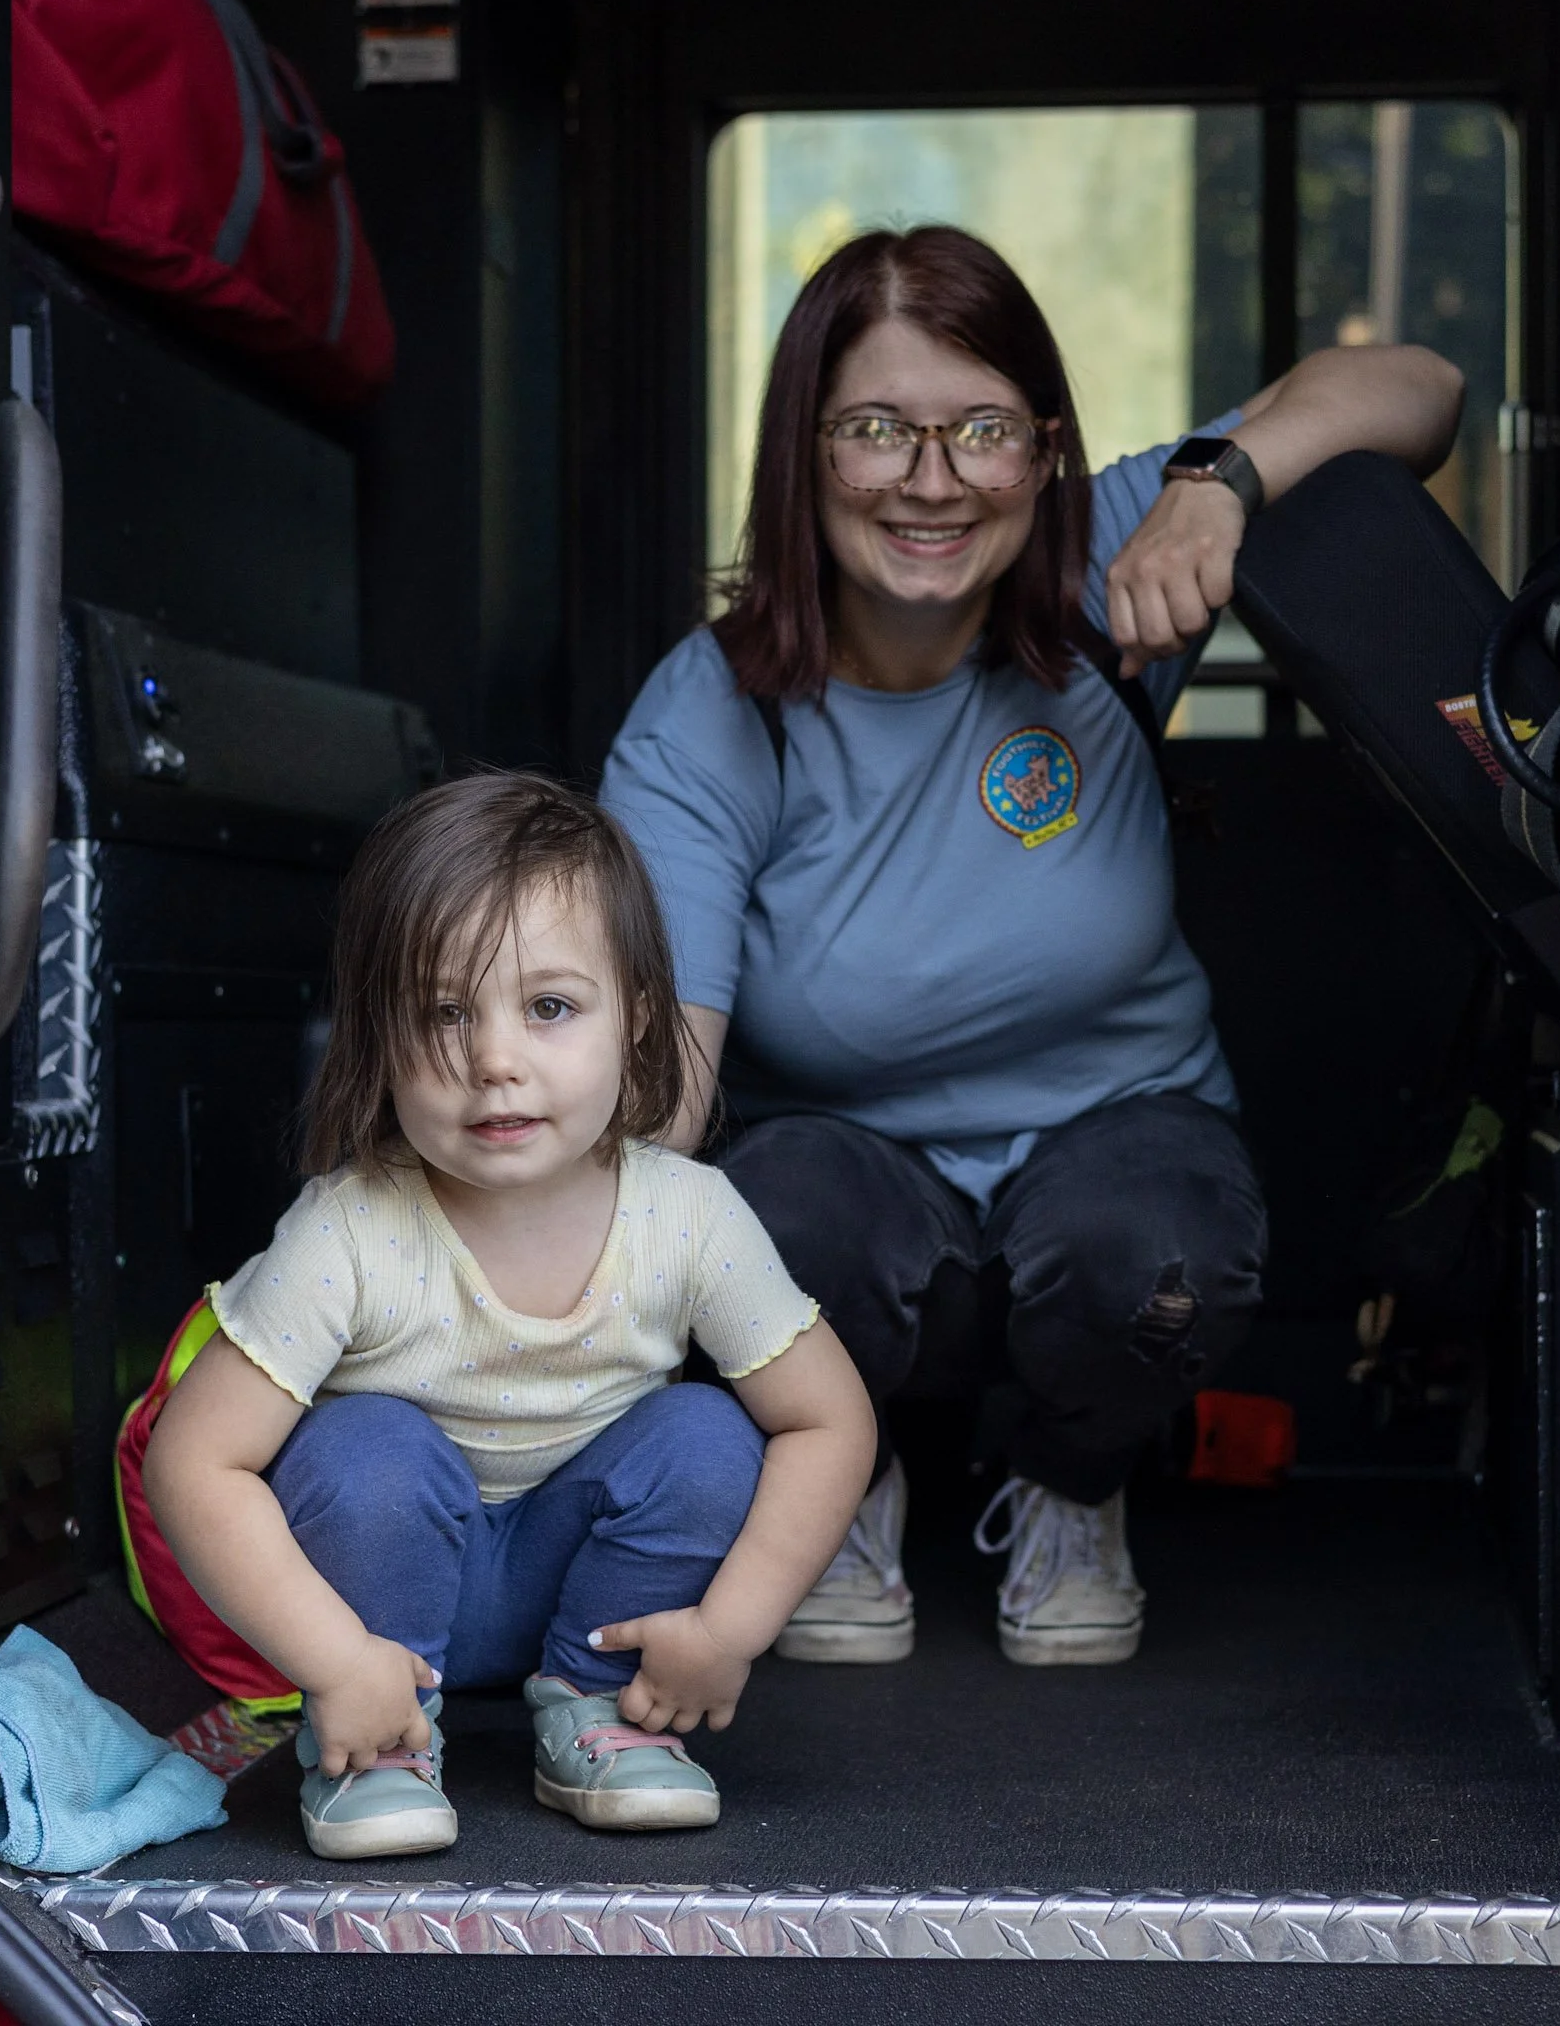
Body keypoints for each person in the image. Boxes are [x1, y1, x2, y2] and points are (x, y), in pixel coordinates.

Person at [600, 225, 1461, 1668]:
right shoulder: (710, 713)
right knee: (773, 1216)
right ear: (802, 452)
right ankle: (836, 1476)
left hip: (1120, 1136)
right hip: (856, 1187)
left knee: (1156, 1260)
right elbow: (666, 1085)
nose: (932, 484)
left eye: (983, 432)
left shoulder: (1106, 573)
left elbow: (1423, 388)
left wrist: (1217, 483)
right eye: (877, 430)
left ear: (1046, 451)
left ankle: (1074, 1486)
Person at [141, 773, 875, 1859]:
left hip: (588, 1598)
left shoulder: (688, 1216)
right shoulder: (348, 1229)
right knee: (367, 1445)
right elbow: (191, 1463)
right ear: (376, 1035)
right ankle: (378, 1742)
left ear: (634, 1017)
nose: (495, 1059)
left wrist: (727, 1632)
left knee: (710, 1437)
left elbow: (831, 1421)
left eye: (548, 1006)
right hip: (376, 1619)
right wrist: (335, 1660)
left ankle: (605, 1715)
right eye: (444, 1011)